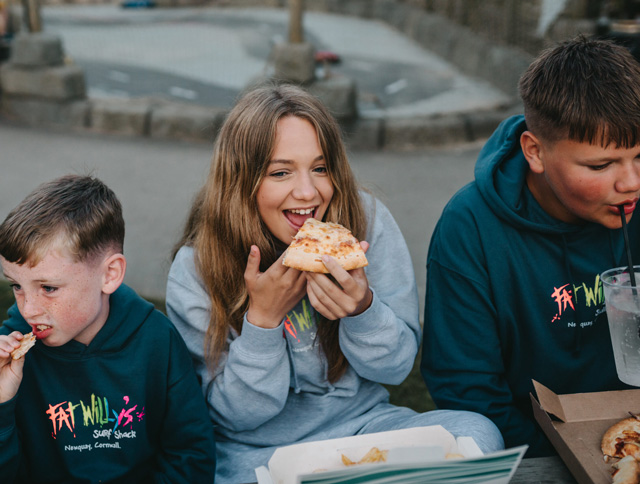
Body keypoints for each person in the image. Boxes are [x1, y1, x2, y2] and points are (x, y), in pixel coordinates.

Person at [165, 83, 504, 484]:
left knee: (477, 433)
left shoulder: (366, 224)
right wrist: (263, 322)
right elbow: (231, 417)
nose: (308, 192)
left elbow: (396, 369)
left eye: (321, 168)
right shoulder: (197, 268)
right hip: (255, 453)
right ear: (241, 180)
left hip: (363, 427)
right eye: (280, 172)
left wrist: (363, 310)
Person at [421, 35, 640, 458]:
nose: (630, 183)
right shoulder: (470, 227)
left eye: (639, 157)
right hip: (533, 451)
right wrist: (581, 459)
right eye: (601, 165)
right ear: (534, 151)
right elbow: (466, 390)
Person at [0, 175, 216, 483]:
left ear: (110, 274)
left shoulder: (157, 341)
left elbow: (191, 455)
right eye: (16, 286)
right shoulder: (11, 357)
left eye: (48, 287)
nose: (28, 308)